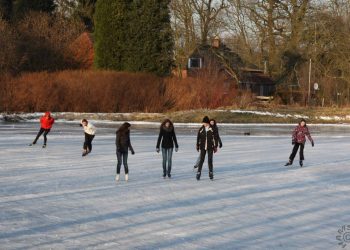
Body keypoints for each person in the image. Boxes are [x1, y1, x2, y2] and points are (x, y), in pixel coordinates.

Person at [196, 116, 218, 180]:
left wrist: (215, 146)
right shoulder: (201, 129)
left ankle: (211, 172)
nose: (203, 124)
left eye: (204, 123)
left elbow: (215, 138)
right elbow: (198, 138)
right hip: (202, 147)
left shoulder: (212, 129)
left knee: (210, 160)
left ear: (207, 123)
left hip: (210, 147)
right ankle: (199, 172)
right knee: (201, 160)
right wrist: (197, 145)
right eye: (203, 123)